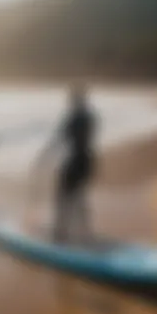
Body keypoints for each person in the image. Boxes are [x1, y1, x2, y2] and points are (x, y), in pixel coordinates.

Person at [34, 83, 97, 243]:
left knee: (62, 196)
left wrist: (43, 158)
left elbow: (58, 139)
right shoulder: (90, 117)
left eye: (70, 100)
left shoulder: (72, 118)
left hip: (76, 160)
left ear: (73, 101)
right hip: (89, 160)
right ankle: (85, 232)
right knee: (79, 195)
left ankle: (59, 235)